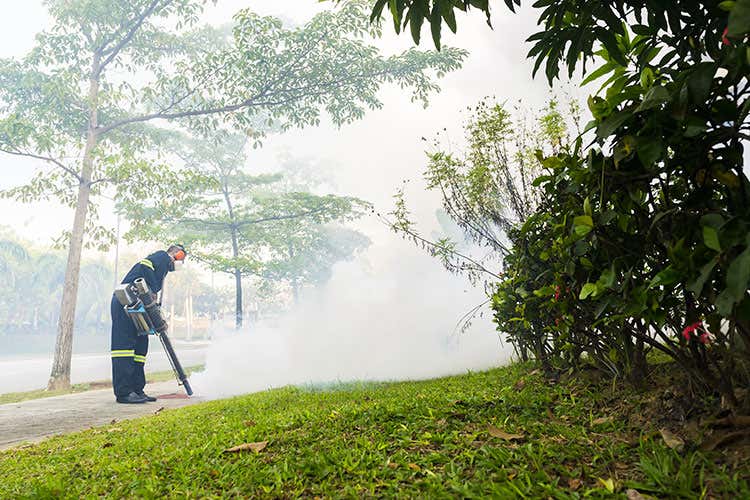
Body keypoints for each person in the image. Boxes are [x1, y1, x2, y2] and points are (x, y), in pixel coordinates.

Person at [111, 244, 186, 404]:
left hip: (138, 305)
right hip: (125, 302)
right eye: (182, 259)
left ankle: (137, 389)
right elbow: (145, 264)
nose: (181, 263)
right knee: (124, 348)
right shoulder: (162, 256)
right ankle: (124, 392)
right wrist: (151, 291)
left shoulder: (162, 270)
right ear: (177, 254)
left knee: (140, 347)